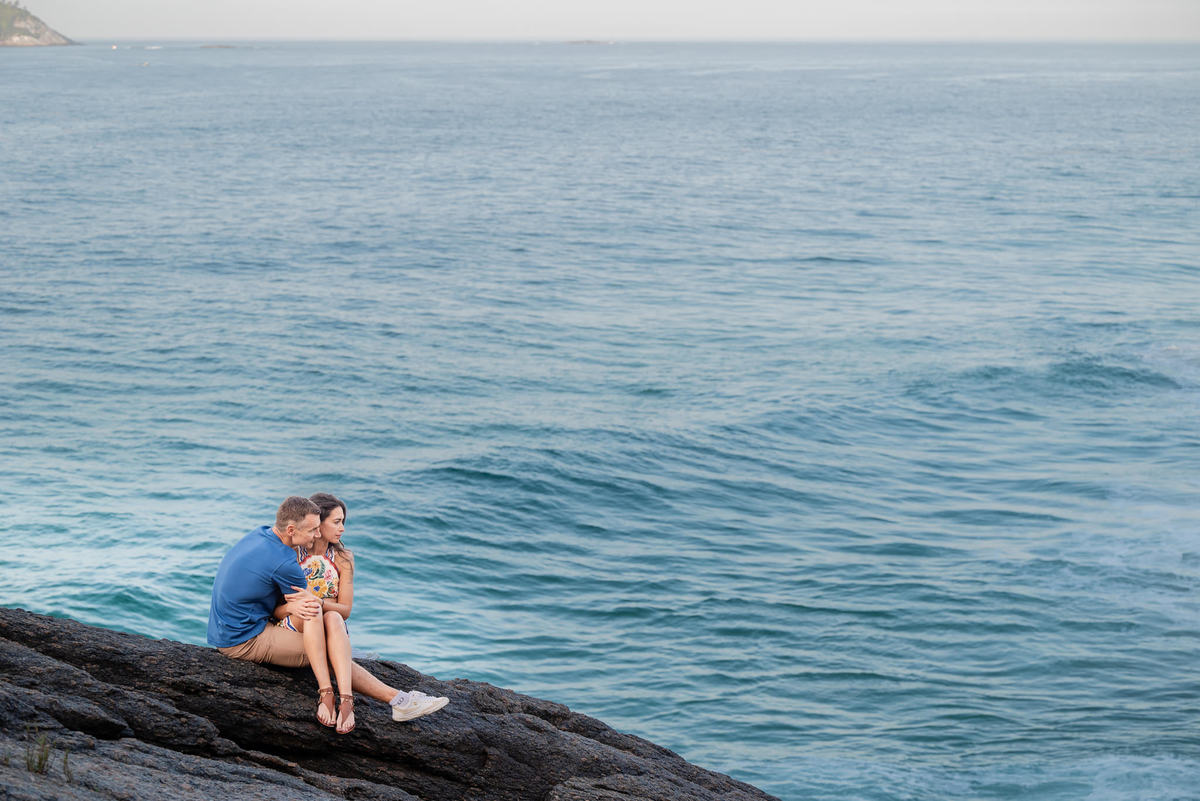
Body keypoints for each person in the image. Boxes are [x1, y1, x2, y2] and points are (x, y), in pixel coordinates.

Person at [207, 496, 448, 734]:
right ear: (291, 529)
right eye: (312, 529)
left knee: (327, 616)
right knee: (332, 648)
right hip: (243, 639)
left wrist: (302, 607)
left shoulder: (261, 534)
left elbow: (315, 607)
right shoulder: (285, 561)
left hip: (235, 626)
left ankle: (351, 699)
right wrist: (299, 608)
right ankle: (395, 700)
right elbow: (303, 606)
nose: (315, 535)